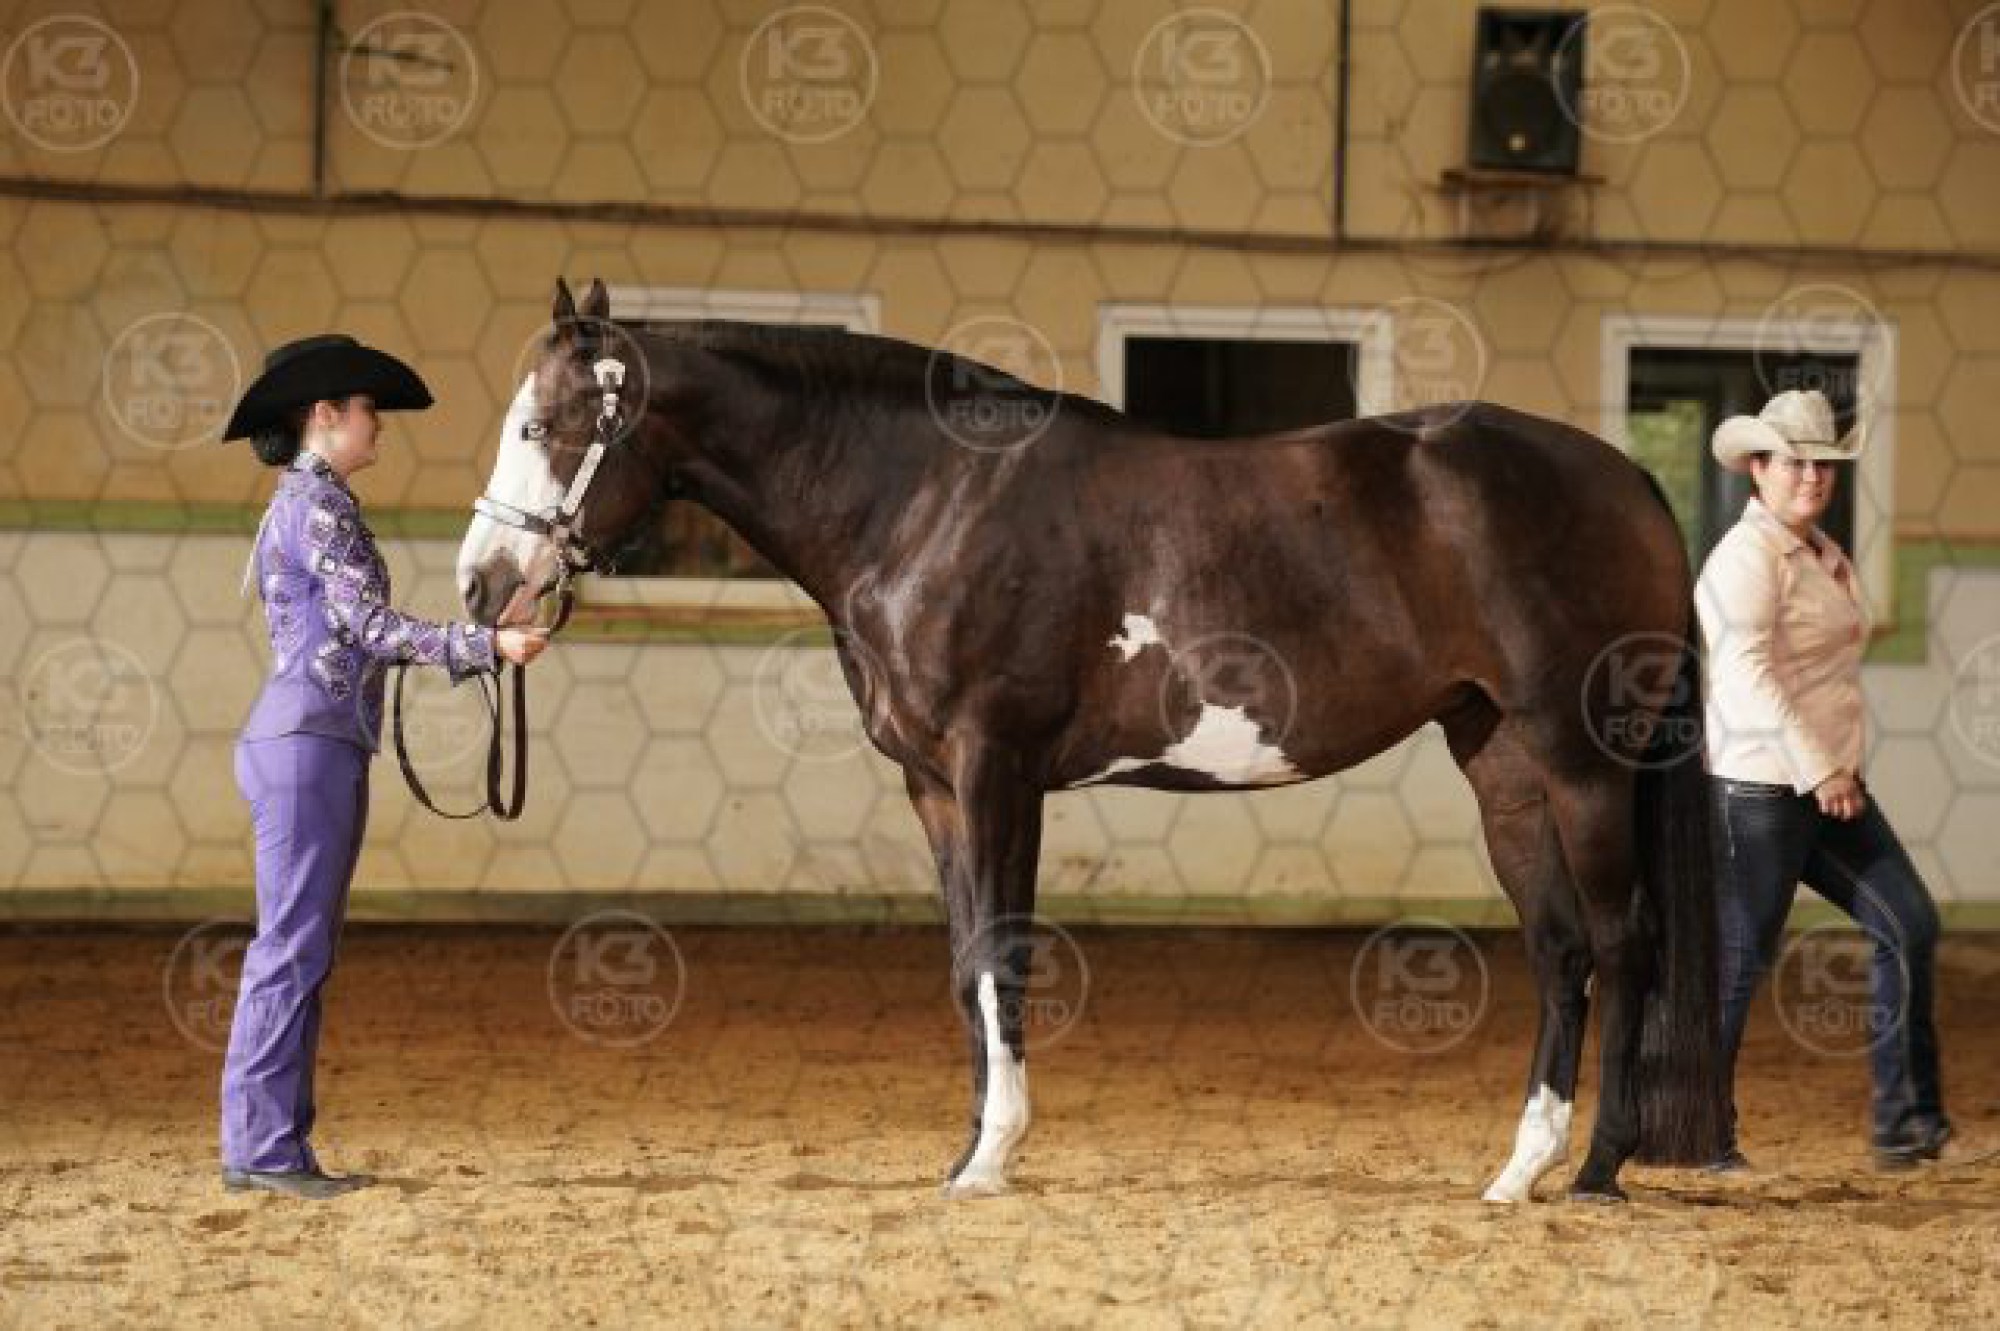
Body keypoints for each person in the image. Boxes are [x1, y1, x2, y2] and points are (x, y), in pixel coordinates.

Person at [219, 334, 549, 1199]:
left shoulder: (308, 500)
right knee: (292, 947)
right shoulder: (317, 505)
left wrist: (486, 631)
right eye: (368, 409)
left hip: (312, 740)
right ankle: (262, 1148)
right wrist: (485, 645)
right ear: (325, 414)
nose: (380, 424)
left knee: (300, 947)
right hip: (310, 744)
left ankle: (272, 1145)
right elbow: (368, 628)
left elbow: (357, 628)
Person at [1695, 388, 1950, 1173]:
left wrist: (1833, 770)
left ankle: (1906, 1123)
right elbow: (1744, 675)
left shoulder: (1820, 552)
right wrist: (1821, 767)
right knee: (1739, 961)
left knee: (1908, 921)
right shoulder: (1745, 557)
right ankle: (1697, 1131)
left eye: (1825, 463)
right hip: (1762, 790)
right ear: (1757, 467)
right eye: (1795, 461)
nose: (1812, 475)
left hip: (1829, 788)